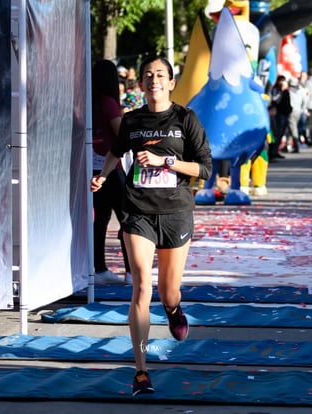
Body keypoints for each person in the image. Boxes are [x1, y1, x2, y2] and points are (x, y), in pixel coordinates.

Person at [90, 56, 212, 396]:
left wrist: (165, 161)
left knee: (167, 291)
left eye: (160, 74)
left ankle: (173, 309)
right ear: (141, 85)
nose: (153, 79)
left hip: (175, 212)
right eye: (148, 75)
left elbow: (204, 169)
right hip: (137, 210)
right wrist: (102, 175)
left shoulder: (185, 119)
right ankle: (141, 371)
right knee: (142, 287)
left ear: (171, 83)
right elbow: (116, 151)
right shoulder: (132, 121)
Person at [91, 59, 132, 284]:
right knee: (127, 219)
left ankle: (99, 269)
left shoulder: (89, 102)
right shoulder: (108, 103)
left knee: (101, 220)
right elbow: (120, 131)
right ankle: (130, 271)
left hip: (93, 168)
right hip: (111, 168)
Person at [270, 75, 292, 159]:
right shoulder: (276, 90)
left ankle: (276, 151)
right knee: (277, 133)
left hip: (285, 113)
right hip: (279, 114)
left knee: (281, 133)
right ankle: (273, 152)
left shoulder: (286, 91)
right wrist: (281, 91)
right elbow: (276, 101)